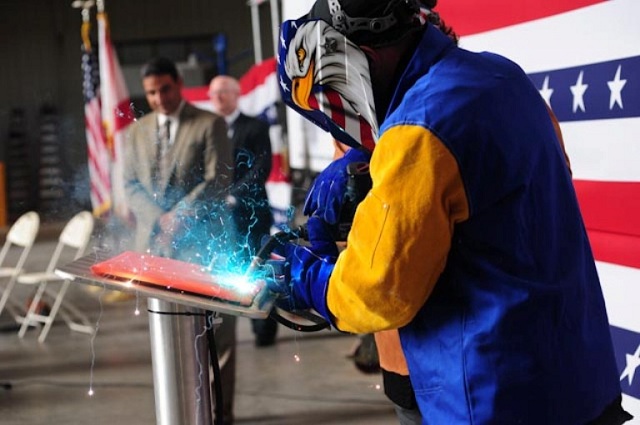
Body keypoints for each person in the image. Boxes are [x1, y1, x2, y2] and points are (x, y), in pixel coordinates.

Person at [270, 1, 633, 424]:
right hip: (580, 381)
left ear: (356, 58)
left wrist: (307, 277)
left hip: (496, 397)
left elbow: (377, 290)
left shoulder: (417, 132)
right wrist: (373, 166)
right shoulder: (502, 76)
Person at [123, 57, 236, 423]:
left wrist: (179, 216)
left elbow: (217, 180)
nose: (158, 98)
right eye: (151, 93)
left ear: (178, 84)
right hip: (156, 250)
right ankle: (180, 410)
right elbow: (131, 185)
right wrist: (159, 219)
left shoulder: (209, 123)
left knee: (216, 334)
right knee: (169, 339)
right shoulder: (136, 133)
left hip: (204, 246)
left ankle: (220, 413)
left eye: (165, 89)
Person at [209, 75, 278, 348]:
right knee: (226, 272)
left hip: (250, 215)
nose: (217, 98)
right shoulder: (208, 129)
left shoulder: (255, 127)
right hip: (219, 219)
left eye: (222, 92)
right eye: (213, 93)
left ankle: (263, 328)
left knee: (255, 271)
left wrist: (233, 196)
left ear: (236, 95)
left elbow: (261, 168)